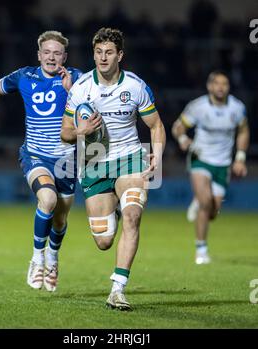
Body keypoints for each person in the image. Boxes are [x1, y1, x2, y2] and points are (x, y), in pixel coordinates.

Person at [61, 27, 166, 310]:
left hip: (130, 157)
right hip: (93, 162)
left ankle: (117, 289)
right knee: (104, 240)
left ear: (120, 55)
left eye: (108, 52)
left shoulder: (135, 86)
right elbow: (65, 133)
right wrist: (80, 130)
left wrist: (157, 154)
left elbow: (155, 125)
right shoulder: (82, 87)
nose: (102, 58)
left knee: (132, 216)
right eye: (98, 53)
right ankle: (115, 208)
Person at [0, 31, 82, 291]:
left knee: (60, 220)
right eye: (47, 52)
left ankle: (53, 259)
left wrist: (73, 92)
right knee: (48, 199)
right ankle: (36, 258)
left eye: (57, 53)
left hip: (67, 160)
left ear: (64, 56)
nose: (51, 57)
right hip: (35, 154)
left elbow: (93, 108)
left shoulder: (76, 78)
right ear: (39, 55)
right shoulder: (24, 76)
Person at [172, 70, 250, 264]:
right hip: (200, 158)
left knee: (213, 212)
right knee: (206, 202)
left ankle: (199, 202)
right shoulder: (198, 107)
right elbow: (178, 126)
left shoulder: (237, 107)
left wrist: (240, 158)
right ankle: (201, 250)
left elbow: (243, 131)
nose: (221, 87)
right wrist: (182, 138)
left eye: (225, 84)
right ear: (209, 86)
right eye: (217, 83)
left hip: (223, 163)